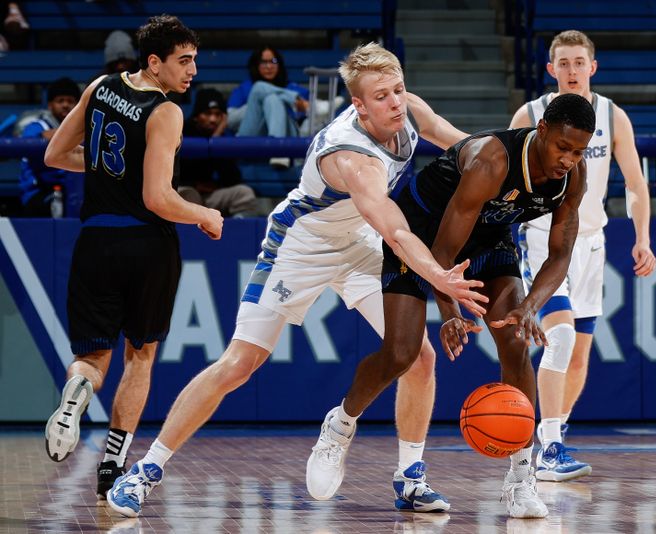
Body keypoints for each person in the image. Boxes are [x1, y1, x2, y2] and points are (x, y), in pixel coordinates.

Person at [107, 42, 488, 519]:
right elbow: (394, 228)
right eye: (382, 96)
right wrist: (439, 279)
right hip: (303, 245)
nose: (395, 102)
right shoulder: (352, 157)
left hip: (358, 241)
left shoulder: (406, 110)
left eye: (398, 90)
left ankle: (410, 476)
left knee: (418, 357)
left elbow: (465, 144)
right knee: (239, 364)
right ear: (358, 104)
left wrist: (511, 160)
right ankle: (145, 470)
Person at [307, 93, 597, 519]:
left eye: (578, 151)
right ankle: (339, 425)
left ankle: (521, 477)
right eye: (562, 147)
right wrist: (450, 313)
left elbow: (559, 255)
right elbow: (443, 251)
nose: (569, 159)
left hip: (490, 236)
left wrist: (530, 306)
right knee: (402, 353)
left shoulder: (573, 176)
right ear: (542, 132)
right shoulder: (492, 160)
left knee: (515, 343)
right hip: (422, 235)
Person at [42, 14, 223, 502]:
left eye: (194, 61)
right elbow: (158, 199)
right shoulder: (165, 112)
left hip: (94, 241)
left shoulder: (101, 87)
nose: (192, 72)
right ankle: (113, 467)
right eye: (183, 62)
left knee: (90, 358)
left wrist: (104, 173)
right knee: (139, 358)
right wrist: (204, 213)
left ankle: (75, 396)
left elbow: (55, 156)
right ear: (154, 62)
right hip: (147, 245)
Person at [508, 30, 656, 482]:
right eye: (563, 63)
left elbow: (634, 183)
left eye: (579, 62)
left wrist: (642, 236)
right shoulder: (531, 115)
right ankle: (548, 446)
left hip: (592, 242)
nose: (572, 71)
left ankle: (555, 434)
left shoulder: (612, 116)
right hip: (543, 239)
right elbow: (505, 179)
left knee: (578, 357)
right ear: (551, 70)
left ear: (592, 67)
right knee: (563, 339)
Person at [227, 44, 310, 168]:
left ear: (279, 64)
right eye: (263, 62)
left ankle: (278, 150)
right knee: (261, 90)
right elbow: (231, 121)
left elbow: (304, 119)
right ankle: (279, 151)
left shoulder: (291, 87)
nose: (269, 66)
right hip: (252, 138)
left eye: (273, 61)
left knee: (272, 99)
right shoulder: (246, 88)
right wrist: (257, 106)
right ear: (256, 65)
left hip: (288, 138)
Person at [179, 87, 257, 217]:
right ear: (196, 116)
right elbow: (175, 173)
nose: (213, 119)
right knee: (188, 195)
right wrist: (194, 184)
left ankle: (238, 234)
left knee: (244, 193)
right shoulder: (182, 131)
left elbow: (233, 178)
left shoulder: (223, 136)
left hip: (209, 196)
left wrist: (216, 139)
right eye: (207, 113)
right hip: (185, 191)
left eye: (217, 114)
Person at [18, 77, 82, 217]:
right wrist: (47, 135)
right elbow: (29, 139)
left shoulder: (83, 126)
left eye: (70, 101)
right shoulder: (38, 125)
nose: (65, 105)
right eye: (60, 101)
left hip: (73, 192)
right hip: (39, 192)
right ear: (50, 105)